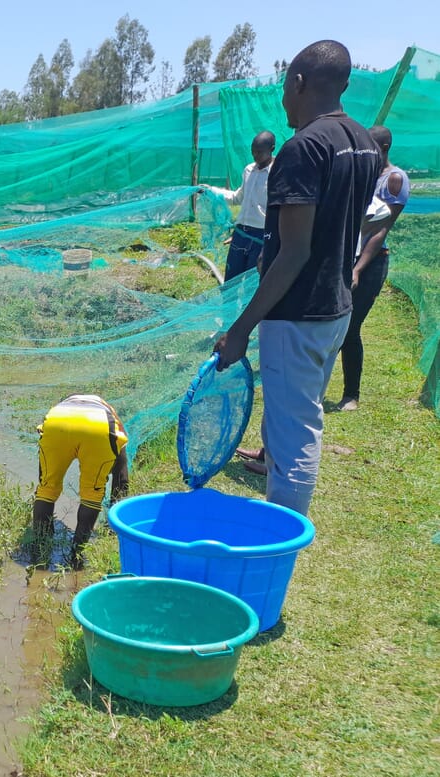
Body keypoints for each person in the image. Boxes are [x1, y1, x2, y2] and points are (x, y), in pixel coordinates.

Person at [216, 40, 382, 518]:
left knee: (295, 436)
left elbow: (293, 253)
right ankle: (282, 521)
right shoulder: (363, 142)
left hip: (298, 312)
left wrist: (241, 329)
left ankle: (280, 537)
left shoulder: (303, 148)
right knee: (298, 415)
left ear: (299, 83)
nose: (284, 102)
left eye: (285, 90)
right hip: (336, 306)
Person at [338, 125, 410, 411]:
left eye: (369, 147)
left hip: (372, 261)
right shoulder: (363, 174)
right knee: (336, 322)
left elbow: (381, 229)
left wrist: (358, 269)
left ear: (383, 148)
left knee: (351, 327)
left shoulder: (394, 179)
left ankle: (351, 394)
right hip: (347, 257)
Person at [30, 394, 129, 570]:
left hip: (56, 423)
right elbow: (121, 475)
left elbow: (42, 475)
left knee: (47, 489)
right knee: (92, 494)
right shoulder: (111, 414)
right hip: (98, 427)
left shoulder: (61, 407)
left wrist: (45, 487)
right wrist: (114, 518)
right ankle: (76, 556)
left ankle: (39, 551)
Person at [205, 131, 276, 281]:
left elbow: (279, 211)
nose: (255, 156)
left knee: (253, 281)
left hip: (261, 237)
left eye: (259, 152)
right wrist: (210, 191)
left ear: (272, 149)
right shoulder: (249, 170)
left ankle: (249, 306)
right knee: (231, 280)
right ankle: (229, 305)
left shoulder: (277, 173)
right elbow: (237, 198)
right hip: (241, 234)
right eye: (253, 152)